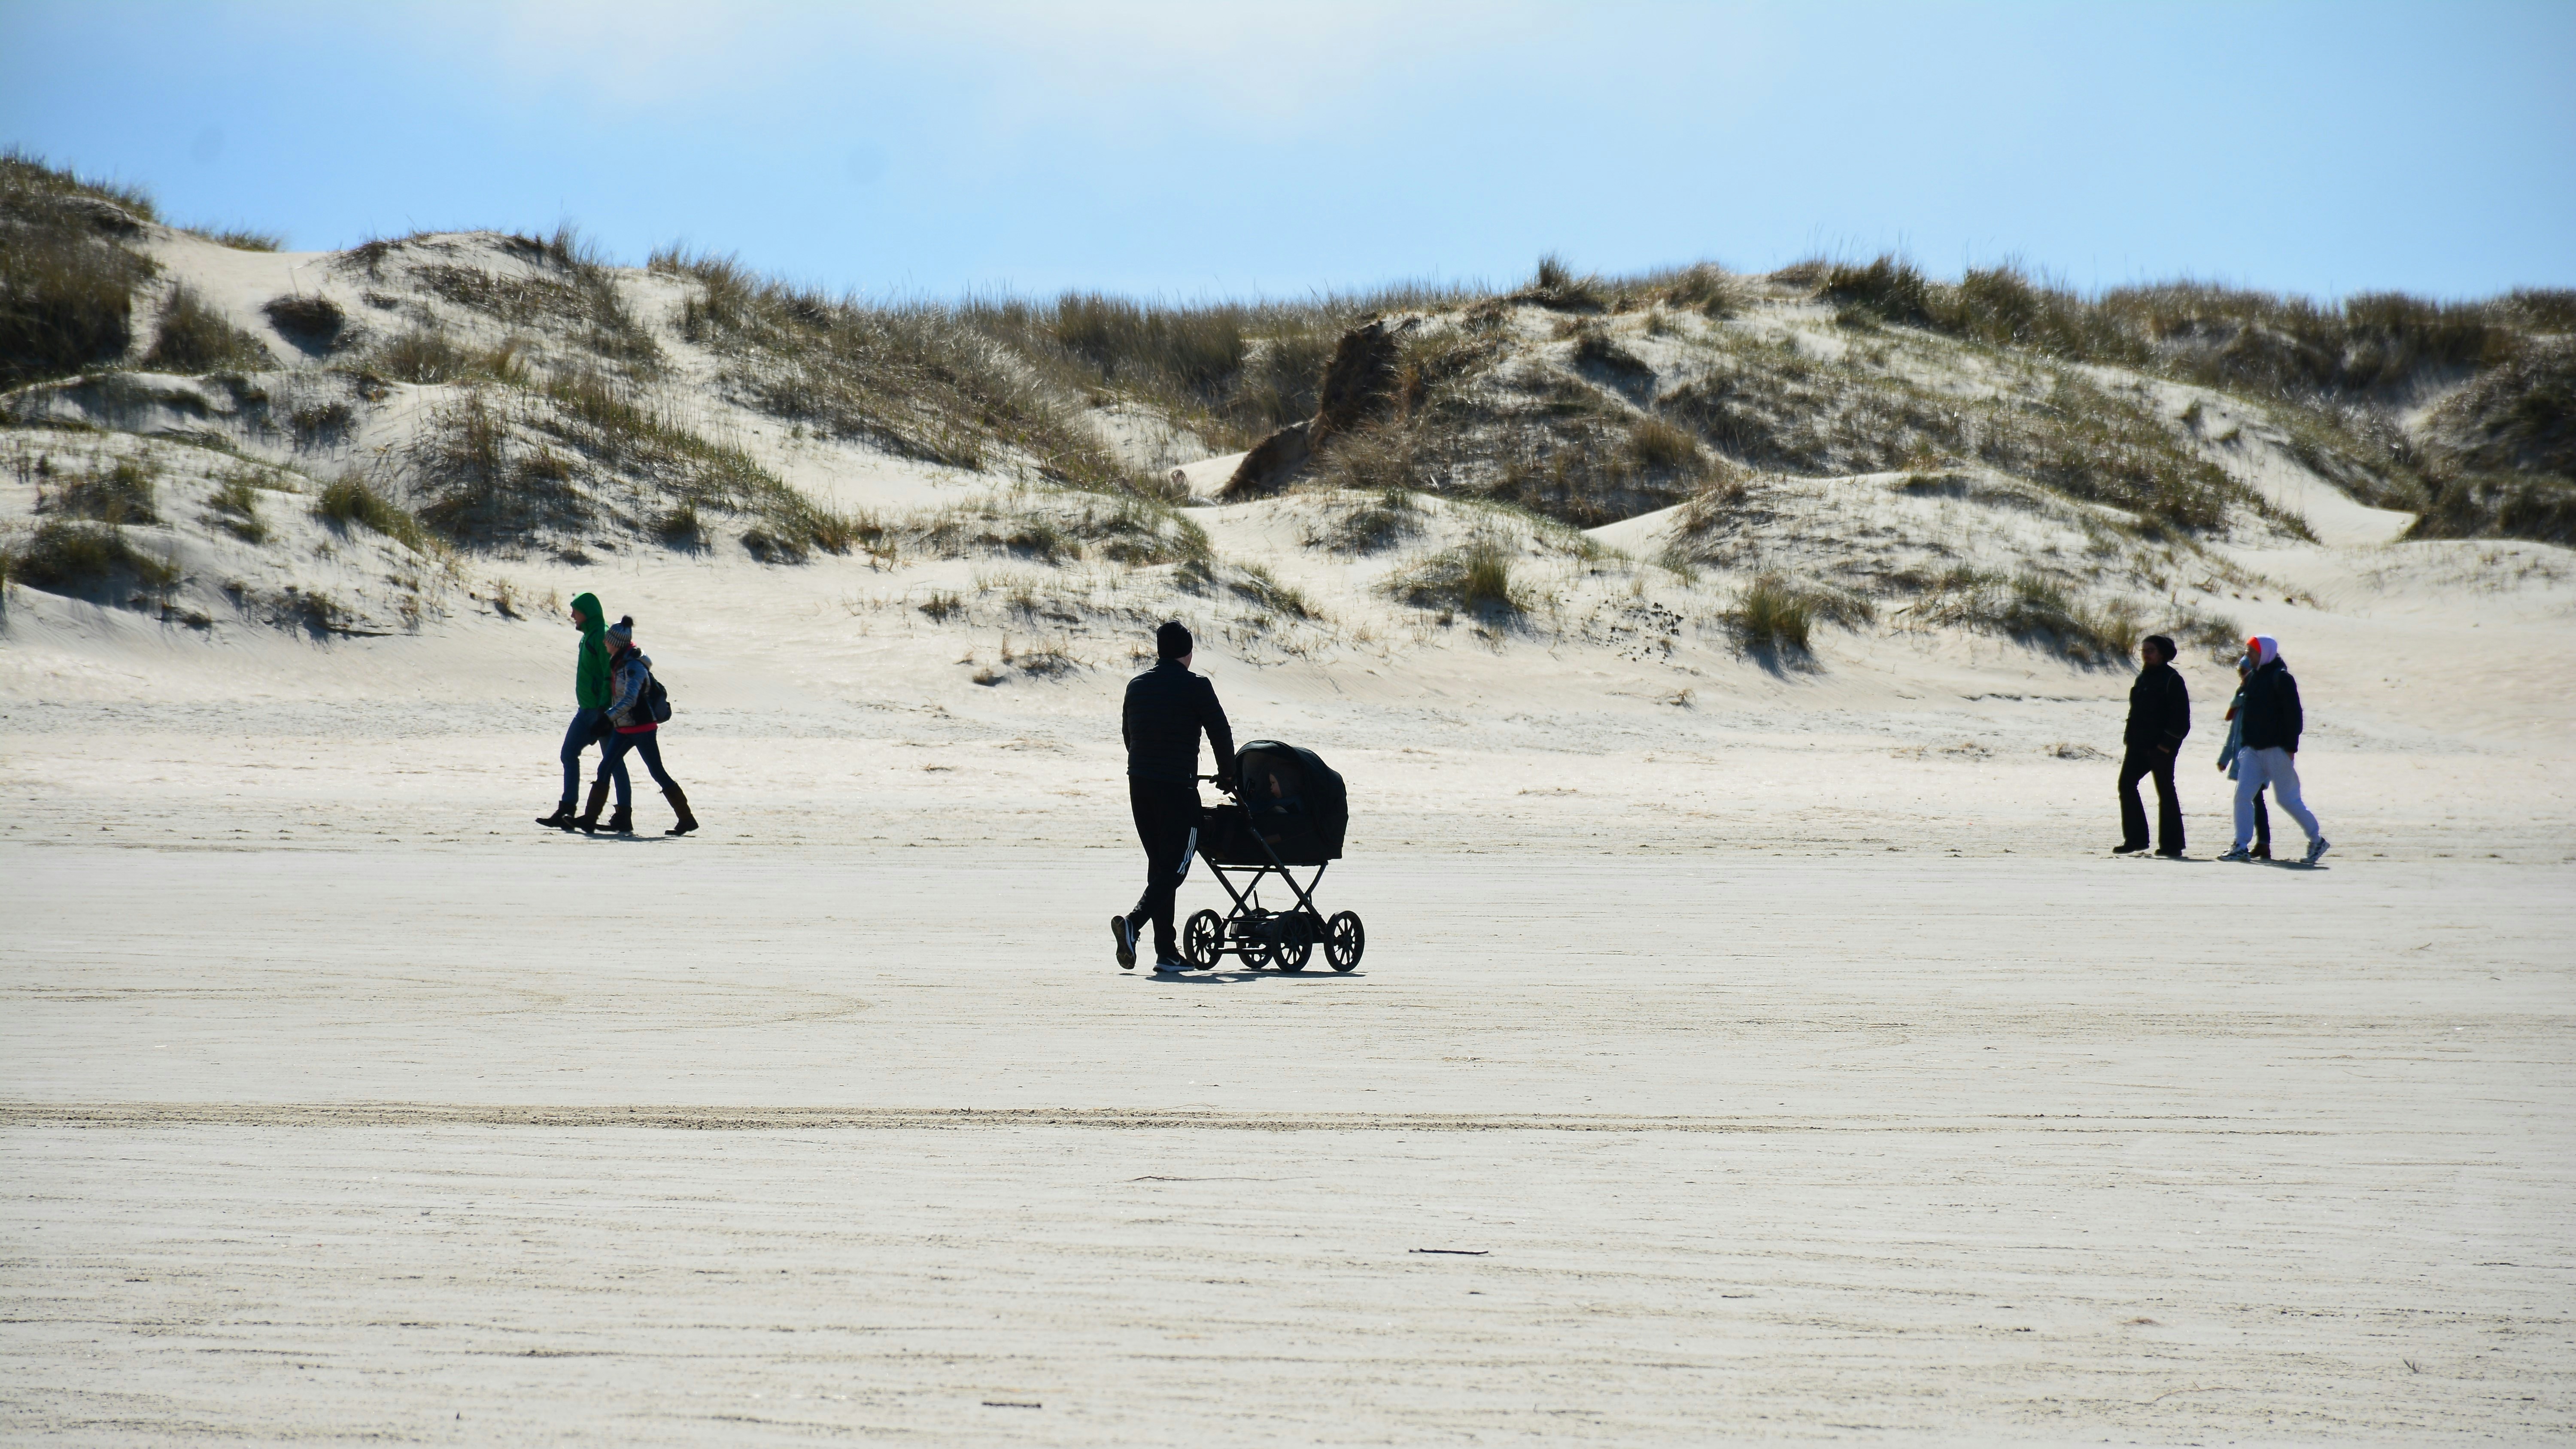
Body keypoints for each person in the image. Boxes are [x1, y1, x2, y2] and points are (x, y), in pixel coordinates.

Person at [1112, 620, 1233, 975]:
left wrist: (1145, 766)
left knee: (1161, 865)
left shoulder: (1137, 686)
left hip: (1140, 786)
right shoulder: (1196, 686)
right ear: (1189, 653)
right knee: (1176, 867)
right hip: (1177, 789)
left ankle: (1166, 951)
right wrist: (1229, 775)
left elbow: (1128, 735)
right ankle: (1133, 922)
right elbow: (1220, 732)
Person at [577, 616, 699, 837]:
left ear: (617, 643)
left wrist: (607, 718)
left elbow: (630, 699)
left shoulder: (634, 667)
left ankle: (687, 819)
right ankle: (590, 820)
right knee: (605, 768)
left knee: (658, 773)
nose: (605, 644)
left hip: (642, 729)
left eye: (608, 641)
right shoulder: (619, 663)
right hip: (625, 729)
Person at [2221, 635, 2328, 864]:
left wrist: (2291, 748)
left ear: (2265, 653)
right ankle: (2241, 845)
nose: (2248, 657)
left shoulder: (2282, 679)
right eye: (2248, 652)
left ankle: (2316, 839)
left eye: (2252, 652)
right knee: (2242, 796)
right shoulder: (2252, 678)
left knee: (2287, 799)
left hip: (2276, 749)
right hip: (2252, 751)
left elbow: (2294, 716)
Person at [536, 592, 627, 829]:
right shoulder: (588, 636)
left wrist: (603, 709)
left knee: (614, 762)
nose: (572, 615)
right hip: (585, 710)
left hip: (601, 712)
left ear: (587, 613)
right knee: (568, 754)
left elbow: (608, 675)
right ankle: (567, 809)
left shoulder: (600, 636)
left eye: (575, 611)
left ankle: (624, 816)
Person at [2113, 633, 2190, 857]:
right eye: (2144, 651)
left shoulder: (2172, 679)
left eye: (2150, 651)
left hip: (2161, 748)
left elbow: (2182, 719)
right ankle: (2135, 840)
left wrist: (2166, 746)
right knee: (2126, 785)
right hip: (2137, 745)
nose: (2146, 655)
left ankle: (2172, 845)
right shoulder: (2143, 677)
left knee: (2165, 792)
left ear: (2162, 654)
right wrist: (2130, 738)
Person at [2216, 652, 2274, 860]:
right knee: (2253, 800)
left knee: (2252, 799)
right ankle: (2260, 843)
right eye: (2240, 672)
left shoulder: (2258, 695)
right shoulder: (2241, 695)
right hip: (2243, 758)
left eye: (2245, 671)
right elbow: (2234, 732)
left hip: (2257, 757)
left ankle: (2251, 843)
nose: (2242, 676)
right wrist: (2225, 758)